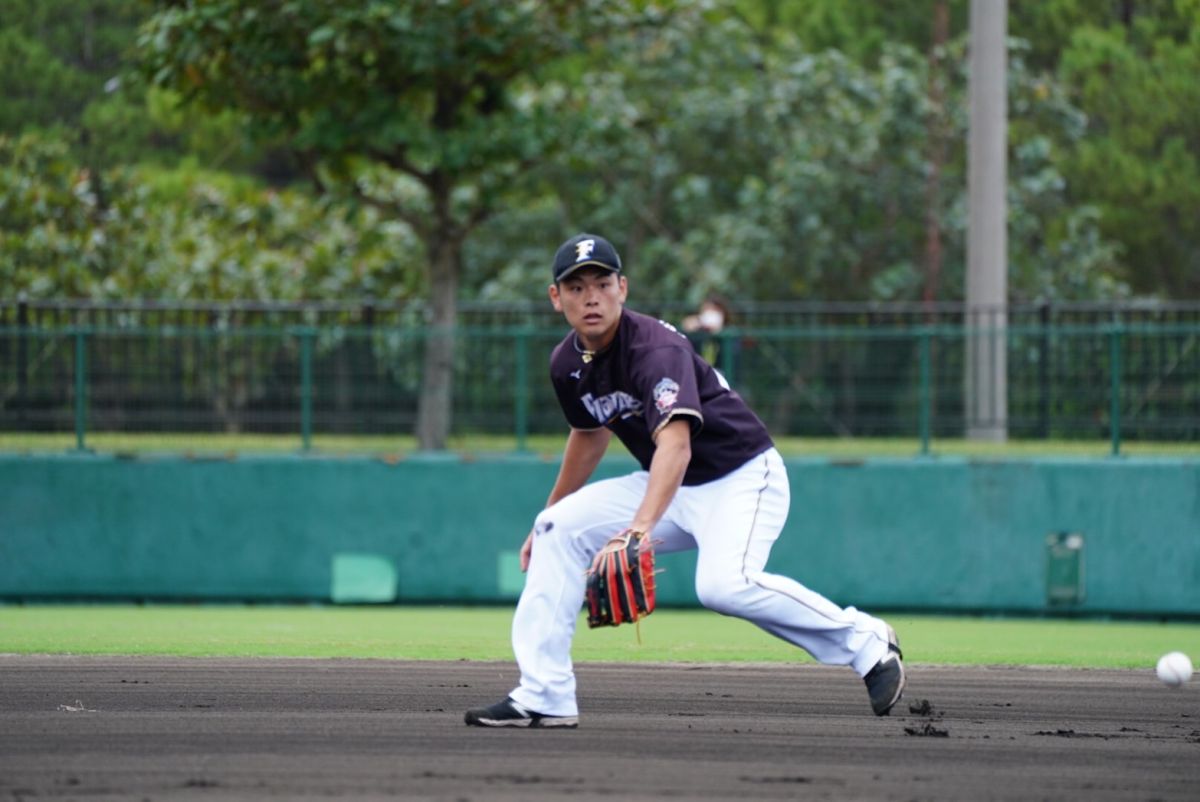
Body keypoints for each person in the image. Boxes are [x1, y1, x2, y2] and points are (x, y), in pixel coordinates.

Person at [464, 233, 904, 729]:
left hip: (740, 476)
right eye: (576, 286)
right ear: (555, 297)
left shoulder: (657, 348)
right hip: (670, 484)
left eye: (602, 283)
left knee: (723, 587)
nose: (591, 297)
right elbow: (589, 435)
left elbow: (676, 445)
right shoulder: (566, 363)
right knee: (555, 531)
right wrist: (547, 512)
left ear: (623, 289)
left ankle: (865, 642)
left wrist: (638, 529)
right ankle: (545, 694)